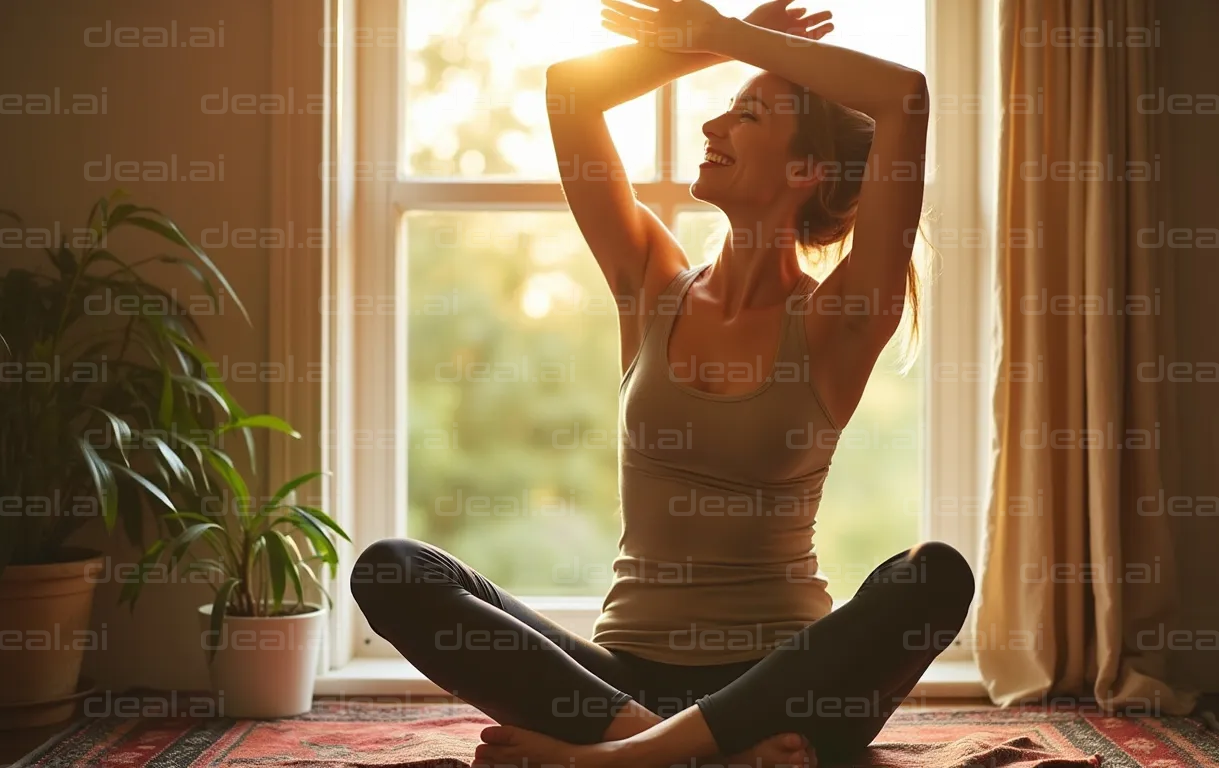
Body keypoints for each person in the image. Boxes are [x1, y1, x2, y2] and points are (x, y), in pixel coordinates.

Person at [352, 1, 974, 765]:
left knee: (933, 575)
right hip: (621, 684)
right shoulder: (651, 282)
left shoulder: (839, 319)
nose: (712, 128)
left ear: (807, 170)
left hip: (782, 687)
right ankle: (685, 751)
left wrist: (729, 35)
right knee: (395, 568)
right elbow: (570, 94)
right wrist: (714, 40)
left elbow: (905, 99)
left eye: (747, 117)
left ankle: (622, 759)